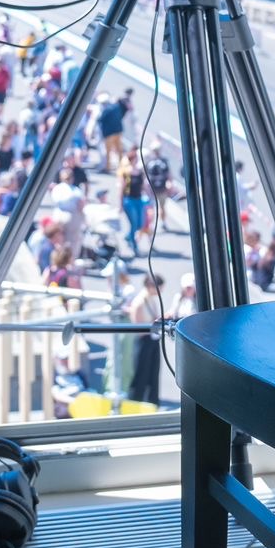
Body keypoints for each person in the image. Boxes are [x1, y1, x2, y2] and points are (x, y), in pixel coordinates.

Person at [126, 272, 165, 403]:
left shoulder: (150, 299)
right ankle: (135, 403)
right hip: (144, 341)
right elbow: (138, 327)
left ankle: (152, 402)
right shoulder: (139, 302)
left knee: (153, 374)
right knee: (141, 375)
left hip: (152, 340)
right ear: (151, 286)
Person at [118, 145, 152, 245]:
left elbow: (143, 186)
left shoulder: (140, 172)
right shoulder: (126, 173)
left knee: (140, 224)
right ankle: (134, 246)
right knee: (133, 224)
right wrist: (120, 204)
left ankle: (129, 237)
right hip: (129, 200)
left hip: (139, 199)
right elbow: (121, 189)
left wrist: (149, 196)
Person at [96, 89, 130, 168]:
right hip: (118, 131)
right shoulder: (116, 107)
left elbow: (100, 120)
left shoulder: (106, 110)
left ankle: (108, 167)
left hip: (109, 133)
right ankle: (121, 165)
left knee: (108, 151)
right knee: (119, 149)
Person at [144, 142, 174, 233]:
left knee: (162, 206)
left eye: (157, 150)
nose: (156, 152)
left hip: (162, 187)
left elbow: (169, 173)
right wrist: (146, 188)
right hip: (152, 189)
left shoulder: (164, 161)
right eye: (154, 150)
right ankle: (151, 225)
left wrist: (170, 183)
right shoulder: (149, 161)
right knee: (151, 208)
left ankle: (163, 222)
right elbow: (146, 175)